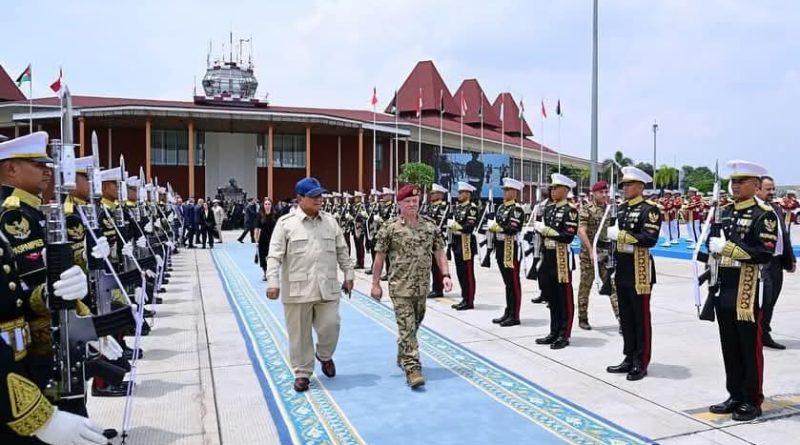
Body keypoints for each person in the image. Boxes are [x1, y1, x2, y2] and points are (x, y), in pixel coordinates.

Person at [266, 177, 354, 393]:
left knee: (331, 326)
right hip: (298, 290)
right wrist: (273, 281)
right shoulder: (286, 224)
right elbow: (274, 256)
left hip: (327, 287)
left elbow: (342, 250)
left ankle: (324, 355)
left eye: (320, 195)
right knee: (299, 335)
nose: (319, 199)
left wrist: (349, 274)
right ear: (300, 199)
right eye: (314, 196)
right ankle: (302, 372)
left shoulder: (331, 222)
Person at [705, 161, 777, 421]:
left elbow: (764, 253)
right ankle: (734, 394)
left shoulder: (763, 214)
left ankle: (752, 399)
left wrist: (728, 249)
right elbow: (712, 248)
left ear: (756, 185)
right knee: (730, 345)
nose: (735, 186)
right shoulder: (725, 211)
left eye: (742, 181)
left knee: (749, 346)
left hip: (748, 288)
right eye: (733, 181)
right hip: (725, 286)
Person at [370, 184, 452, 388]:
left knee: (414, 325)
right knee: (407, 328)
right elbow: (379, 258)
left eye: (415, 201)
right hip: (400, 287)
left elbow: (439, 252)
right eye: (408, 202)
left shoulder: (430, 226)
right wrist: (375, 284)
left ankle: (403, 351)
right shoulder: (390, 228)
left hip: (422, 287)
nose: (412, 205)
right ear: (399, 203)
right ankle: (412, 367)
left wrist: (446, 275)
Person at [605, 166, 661, 381]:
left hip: (640, 269)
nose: (625, 188)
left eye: (629, 185)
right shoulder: (621, 209)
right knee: (626, 317)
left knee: (640, 317)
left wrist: (622, 235)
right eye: (624, 185)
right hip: (623, 267)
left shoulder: (650, 209)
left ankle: (641, 360)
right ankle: (628, 356)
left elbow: (649, 238)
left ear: (640, 186)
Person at [532, 174, 579, 349]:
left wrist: (546, 230)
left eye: (556, 187)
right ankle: (553, 331)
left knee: (564, 297)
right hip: (548, 255)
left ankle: (564, 334)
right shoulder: (549, 209)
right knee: (551, 296)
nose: (552, 190)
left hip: (561, 257)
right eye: (551, 188)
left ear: (566, 190)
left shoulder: (570, 210)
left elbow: (567, 236)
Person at [756, 176, 796, 350]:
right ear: (757, 189)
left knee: (772, 299)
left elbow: (783, 236)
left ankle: (764, 333)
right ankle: (756, 335)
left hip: (777, 262)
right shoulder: (753, 209)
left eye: (773, 189)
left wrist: (790, 258)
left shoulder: (776, 208)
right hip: (761, 262)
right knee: (764, 299)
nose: (772, 192)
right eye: (768, 189)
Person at [576, 180, 620, 331]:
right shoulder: (587, 209)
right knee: (585, 286)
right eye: (601, 192)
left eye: (606, 192)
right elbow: (581, 230)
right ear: (593, 193)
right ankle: (583, 318)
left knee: (611, 287)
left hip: (606, 253)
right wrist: (590, 250)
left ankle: (621, 320)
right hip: (589, 254)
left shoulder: (611, 209)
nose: (604, 194)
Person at [488, 178, 526, 327]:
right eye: (504, 190)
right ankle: (508, 311)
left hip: (510, 248)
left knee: (513, 282)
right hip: (500, 247)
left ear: (514, 192)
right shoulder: (501, 208)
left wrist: (496, 227)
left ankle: (514, 315)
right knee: (507, 282)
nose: (504, 192)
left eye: (507, 190)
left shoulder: (516, 209)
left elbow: (512, 228)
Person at [448, 182, 479, 310]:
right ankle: (464, 298)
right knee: (460, 272)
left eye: (461, 192)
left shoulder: (472, 208)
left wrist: (457, 226)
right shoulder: (458, 207)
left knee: (468, 273)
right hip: (457, 242)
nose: (459, 195)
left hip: (466, 243)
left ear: (467, 194)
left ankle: (469, 300)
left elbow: (469, 227)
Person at [426, 183, 449, 298]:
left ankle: (438, 288)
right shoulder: (431, 206)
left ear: (440, 194)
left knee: (438, 263)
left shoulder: (443, 207)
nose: (432, 195)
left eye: (434, 193)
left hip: (438, 238)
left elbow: (440, 223)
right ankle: (435, 287)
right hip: (430, 238)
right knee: (432, 264)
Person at [256, 198, 277, 281]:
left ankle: (272, 272)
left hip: (273, 238)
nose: (267, 206)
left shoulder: (275, 215)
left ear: (271, 205)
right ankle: (265, 272)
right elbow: (257, 228)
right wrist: (256, 240)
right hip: (263, 238)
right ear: (263, 205)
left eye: (269, 204)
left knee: (272, 256)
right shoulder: (260, 215)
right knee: (263, 256)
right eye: (266, 204)